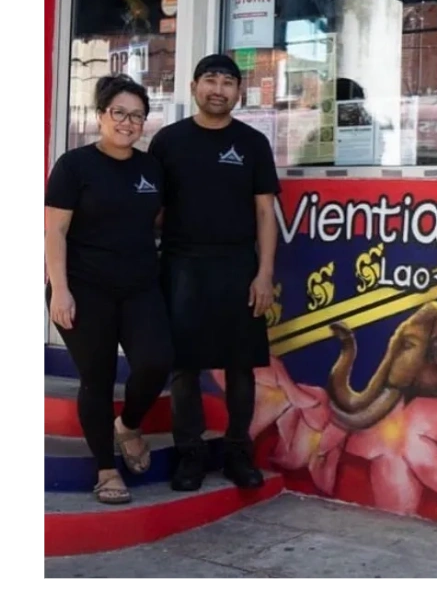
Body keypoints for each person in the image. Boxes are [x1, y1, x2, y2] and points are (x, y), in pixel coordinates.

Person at [147, 53, 281, 491]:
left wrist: (264, 274)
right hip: (181, 265)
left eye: (228, 82)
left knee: (241, 366)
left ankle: (238, 451)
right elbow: (154, 209)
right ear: (193, 87)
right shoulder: (168, 142)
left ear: (239, 92)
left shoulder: (252, 144)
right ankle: (190, 454)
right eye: (210, 80)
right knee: (184, 367)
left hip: (238, 266)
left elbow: (266, 213)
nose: (218, 89)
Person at [43, 75, 174, 504]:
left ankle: (128, 425)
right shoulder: (74, 166)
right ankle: (105, 470)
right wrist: (59, 290)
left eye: (137, 115)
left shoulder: (150, 168)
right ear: (101, 116)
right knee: (96, 378)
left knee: (156, 363)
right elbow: (55, 232)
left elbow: (157, 220)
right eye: (118, 112)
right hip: (83, 288)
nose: (127, 122)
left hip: (139, 286)